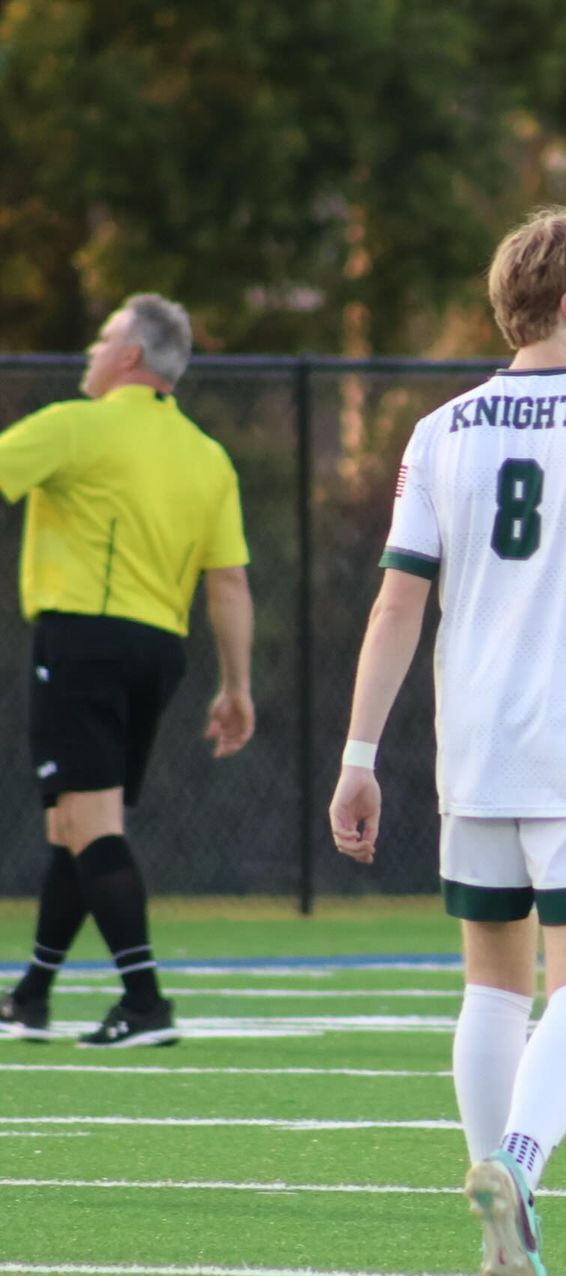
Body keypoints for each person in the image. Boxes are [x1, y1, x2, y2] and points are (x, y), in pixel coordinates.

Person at [328, 204, 566, 1276]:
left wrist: (360, 752)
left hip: (475, 752)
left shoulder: (439, 432)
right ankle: (519, 1167)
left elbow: (399, 605)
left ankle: (504, 1213)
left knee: (492, 988)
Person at [0, 293, 255, 1048]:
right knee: (73, 824)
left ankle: (145, 1002)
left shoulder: (77, 426)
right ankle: (31, 997)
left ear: (130, 356)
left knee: (91, 824)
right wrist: (236, 686)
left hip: (82, 640)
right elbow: (229, 581)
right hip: (159, 654)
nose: (91, 351)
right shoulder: (207, 455)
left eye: (103, 339)